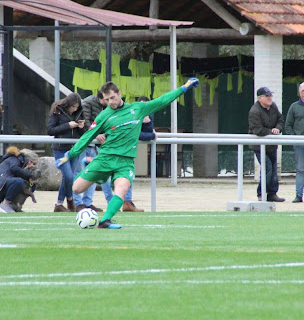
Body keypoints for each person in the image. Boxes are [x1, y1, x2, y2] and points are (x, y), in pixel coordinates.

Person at [56, 78, 199, 229]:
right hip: (105, 158)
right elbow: (87, 137)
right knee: (76, 188)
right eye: (107, 99)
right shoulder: (103, 117)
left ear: (119, 93)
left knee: (122, 189)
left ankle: (105, 221)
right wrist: (69, 155)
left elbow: (163, 100)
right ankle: (96, 170)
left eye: (112, 97)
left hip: (126, 162)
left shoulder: (138, 109)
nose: (111, 102)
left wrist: (185, 87)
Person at [47, 93, 86, 213]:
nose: (75, 109)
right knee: (68, 176)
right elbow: (50, 130)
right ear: (68, 104)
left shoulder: (79, 112)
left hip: (75, 149)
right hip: (60, 149)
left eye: (77, 107)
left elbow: (84, 133)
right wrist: (67, 125)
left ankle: (59, 204)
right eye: (73, 106)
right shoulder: (57, 110)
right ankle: (69, 199)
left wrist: (81, 127)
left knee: (69, 177)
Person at [248, 86, 285, 203]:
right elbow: (257, 130)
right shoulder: (254, 111)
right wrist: (272, 132)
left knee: (274, 170)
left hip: (271, 145)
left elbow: (280, 119)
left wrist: (278, 128)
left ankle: (272, 193)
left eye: (270, 95)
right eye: (267, 96)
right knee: (267, 168)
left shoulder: (273, 106)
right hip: (259, 146)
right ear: (260, 98)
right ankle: (261, 193)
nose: (270, 98)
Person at [121, 95, 156, 212]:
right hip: (119, 147)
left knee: (127, 174)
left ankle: (127, 202)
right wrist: (152, 135)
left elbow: (146, 133)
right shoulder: (130, 113)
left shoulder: (148, 114)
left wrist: (148, 123)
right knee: (109, 177)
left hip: (129, 149)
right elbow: (135, 134)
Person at [80, 91, 113, 212]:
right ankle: (81, 203)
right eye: (107, 100)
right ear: (101, 98)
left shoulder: (106, 106)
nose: (110, 102)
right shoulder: (88, 103)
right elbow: (86, 123)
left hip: (97, 145)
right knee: (84, 173)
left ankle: (88, 202)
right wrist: (97, 134)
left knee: (98, 173)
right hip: (88, 144)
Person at [0, 146, 39, 213]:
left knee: (32, 185)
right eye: (31, 162)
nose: (32, 165)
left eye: (34, 164)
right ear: (26, 158)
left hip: (4, 186)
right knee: (19, 182)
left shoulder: (22, 165)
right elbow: (14, 168)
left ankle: (15, 206)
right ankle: (5, 204)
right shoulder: (14, 159)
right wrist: (29, 176)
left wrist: (31, 182)